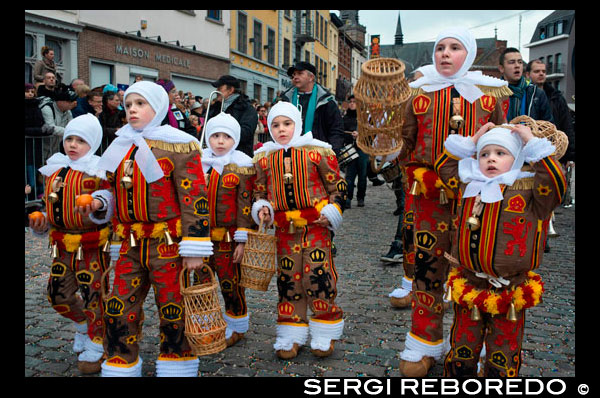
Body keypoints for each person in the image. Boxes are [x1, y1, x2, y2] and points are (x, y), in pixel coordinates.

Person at [394, 27, 512, 377]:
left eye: (454, 48)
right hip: (428, 197)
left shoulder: (488, 96)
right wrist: (390, 156)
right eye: (440, 48)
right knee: (426, 269)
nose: (445, 53)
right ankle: (424, 341)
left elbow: (503, 142)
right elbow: (405, 143)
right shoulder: (417, 95)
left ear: (469, 54)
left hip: (475, 199)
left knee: (471, 271)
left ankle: (466, 347)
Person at [90, 81, 213, 377]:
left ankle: (176, 360)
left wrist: (195, 246)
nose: (132, 109)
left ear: (157, 108)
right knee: (118, 304)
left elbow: (194, 197)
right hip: (130, 243)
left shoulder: (180, 145)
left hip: (167, 241)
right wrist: (100, 203)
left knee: (172, 304)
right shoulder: (120, 144)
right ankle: (122, 360)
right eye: (128, 104)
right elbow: (112, 188)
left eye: (140, 104)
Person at [436, 122, 565, 377]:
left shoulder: (531, 191)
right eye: (485, 154)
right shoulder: (468, 185)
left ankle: (498, 377)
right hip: (470, 282)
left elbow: (555, 182)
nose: (491, 159)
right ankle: (459, 376)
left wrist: (532, 144)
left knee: (503, 348)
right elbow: (444, 167)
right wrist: (472, 141)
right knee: (463, 344)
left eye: (500, 153)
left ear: (517, 158)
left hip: (510, 289)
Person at [252, 101, 346, 359]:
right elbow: (259, 191)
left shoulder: (318, 152)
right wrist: (262, 208)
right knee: (288, 279)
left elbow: (337, 185)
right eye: (275, 124)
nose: (281, 129)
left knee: (318, 276)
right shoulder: (264, 158)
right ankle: (291, 331)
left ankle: (325, 327)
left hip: (316, 227)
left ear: (297, 124)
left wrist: (333, 210)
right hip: (284, 230)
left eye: (287, 123)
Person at [31, 114, 111, 374]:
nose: (73, 145)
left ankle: (98, 341)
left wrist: (99, 203)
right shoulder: (55, 170)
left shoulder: (99, 170)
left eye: (80, 140)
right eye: (69, 139)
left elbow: (111, 199)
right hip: (62, 244)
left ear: (94, 142)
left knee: (94, 294)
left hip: (92, 246)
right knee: (57, 294)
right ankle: (82, 324)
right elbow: (50, 205)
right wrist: (42, 220)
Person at [201, 112, 256, 347]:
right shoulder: (199, 164)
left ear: (235, 139)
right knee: (201, 282)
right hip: (201, 238)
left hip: (227, 238)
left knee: (229, 282)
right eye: (215, 136)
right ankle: (205, 321)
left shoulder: (241, 167)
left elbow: (245, 205)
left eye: (226, 137)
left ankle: (236, 323)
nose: (220, 141)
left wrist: (242, 239)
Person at [279, 62, 345, 155]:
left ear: (311, 77)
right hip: (289, 154)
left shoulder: (326, 102)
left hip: (319, 156)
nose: (295, 77)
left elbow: (336, 129)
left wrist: (332, 153)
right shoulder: (285, 100)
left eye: (300, 73)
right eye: (294, 75)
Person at [526, 59, 575, 163]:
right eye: (537, 71)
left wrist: (570, 157)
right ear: (527, 75)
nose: (541, 74)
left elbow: (566, 126)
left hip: (554, 152)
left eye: (543, 71)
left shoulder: (557, 98)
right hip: (529, 152)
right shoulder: (523, 97)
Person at [207, 75, 258, 158]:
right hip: (214, 156)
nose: (217, 91)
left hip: (238, 157)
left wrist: (224, 134)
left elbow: (246, 132)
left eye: (220, 88)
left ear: (231, 90)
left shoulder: (246, 108)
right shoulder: (215, 107)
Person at [498, 48, 554, 123]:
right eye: (512, 62)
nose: (517, 65)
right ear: (501, 68)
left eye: (520, 62)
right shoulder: (493, 93)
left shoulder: (536, 93)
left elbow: (548, 125)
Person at [39, 83, 78, 160]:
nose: (73, 103)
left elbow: (72, 125)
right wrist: (70, 132)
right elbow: (51, 127)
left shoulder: (68, 111)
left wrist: (73, 130)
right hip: (41, 148)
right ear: (60, 101)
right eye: (70, 101)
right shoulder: (47, 109)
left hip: (56, 149)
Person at [342, 95, 369, 208]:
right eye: (351, 102)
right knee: (349, 176)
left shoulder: (364, 118)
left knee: (362, 176)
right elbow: (341, 132)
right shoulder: (345, 118)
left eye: (354, 102)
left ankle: (360, 197)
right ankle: (348, 198)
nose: (352, 104)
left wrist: (360, 135)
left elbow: (371, 133)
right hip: (350, 149)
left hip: (362, 149)